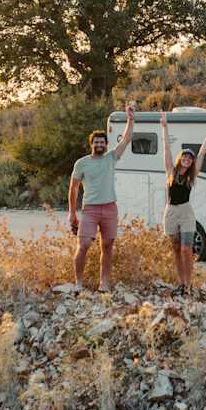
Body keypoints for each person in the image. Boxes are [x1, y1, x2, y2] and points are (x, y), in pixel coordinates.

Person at [68, 103, 135, 292]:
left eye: (102, 142)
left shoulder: (111, 158)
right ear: (91, 145)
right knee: (84, 244)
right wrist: (72, 213)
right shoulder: (81, 164)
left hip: (110, 208)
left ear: (105, 144)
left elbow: (127, 139)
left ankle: (104, 283)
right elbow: (73, 189)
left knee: (107, 246)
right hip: (90, 209)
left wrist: (131, 118)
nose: (99, 144)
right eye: (96, 142)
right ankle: (78, 283)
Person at [160, 113, 206, 295]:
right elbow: (166, 148)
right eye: (185, 156)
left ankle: (189, 284)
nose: (187, 159)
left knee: (186, 248)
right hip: (170, 212)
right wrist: (164, 126)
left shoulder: (192, 175)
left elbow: (202, 153)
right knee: (176, 249)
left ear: (191, 162)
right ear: (180, 158)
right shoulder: (171, 171)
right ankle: (181, 284)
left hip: (186, 212)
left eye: (190, 158)